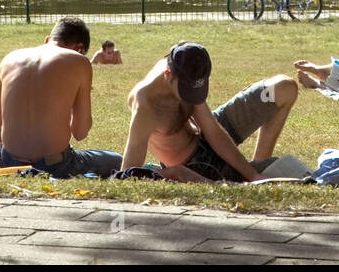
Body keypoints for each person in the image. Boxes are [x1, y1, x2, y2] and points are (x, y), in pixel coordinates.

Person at [121, 42, 298, 182]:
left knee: (284, 87)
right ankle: (257, 172)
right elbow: (127, 174)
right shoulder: (146, 107)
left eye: (195, 90)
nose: (191, 97)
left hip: (211, 130)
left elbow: (213, 130)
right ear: (167, 73)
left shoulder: (187, 65)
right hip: (199, 165)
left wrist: (251, 174)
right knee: (294, 172)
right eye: (186, 91)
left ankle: (256, 169)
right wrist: (171, 173)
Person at [0, 18, 121, 179]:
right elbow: (80, 132)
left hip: (9, 163)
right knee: (117, 159)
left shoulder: (10, 59)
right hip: (55, 165)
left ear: (48, 40)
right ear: (80, 48)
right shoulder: (78, 61)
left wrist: (15, 160)